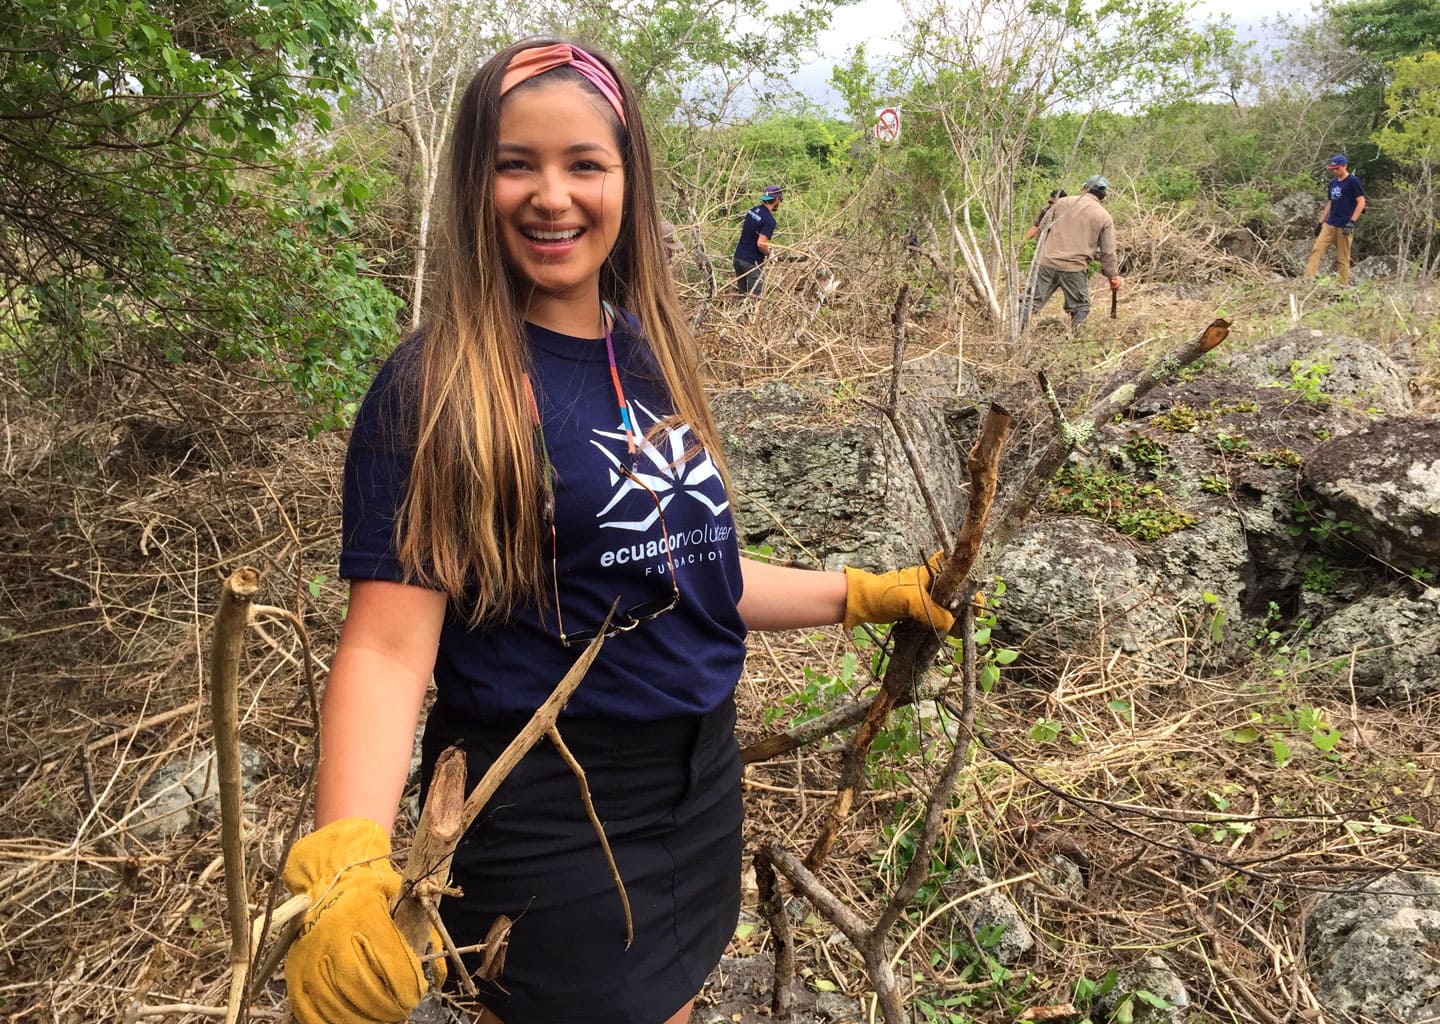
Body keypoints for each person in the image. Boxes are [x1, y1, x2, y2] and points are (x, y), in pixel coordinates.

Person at [280, 38, 954, 1024]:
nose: (551, 193)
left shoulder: (640, 351)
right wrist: (347, 856)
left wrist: (860, 592)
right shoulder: (437, 388)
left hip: (696, 786)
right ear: (476, 181)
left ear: (627, 180)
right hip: (549, 804)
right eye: (517, 163)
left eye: (583, 163)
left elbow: (688, 570)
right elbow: (386, 649)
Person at [1019, 175, 1120, 332]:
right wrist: (1112, 276)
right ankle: (1076, 344)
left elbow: (1042, 228)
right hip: (1074, 268)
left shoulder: (1061, 203)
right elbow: (1108, 252)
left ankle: (1014, 336)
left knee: (1029, 303)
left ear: (1085, 187)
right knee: (1080, 307)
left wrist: (1044, 252)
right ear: (1103, 194)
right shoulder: (1104, 216)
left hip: (1047, 263)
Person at [1304, 154, 1366, 286]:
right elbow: (1330, 203)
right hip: (1330, 223)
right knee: (1317, 249)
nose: (1335, 171)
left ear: (1344, 166)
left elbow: (1361, 203)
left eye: (1337, 168)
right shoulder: (1332, 183)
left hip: (1344, 225)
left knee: (1342, 258)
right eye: (1333, 169)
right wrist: (1321, 222)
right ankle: (1308, 278)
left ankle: (1343, 285)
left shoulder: (1353, 181)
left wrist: (1352, 221)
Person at [732, 185, 782, 296]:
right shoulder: (769, 220)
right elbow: (761, 244)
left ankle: (741, 312)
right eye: (780, 200)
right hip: (751, 264)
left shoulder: (752, 210)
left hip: (738, 258)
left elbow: (751, 234)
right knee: (754, 299)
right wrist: (770, 254)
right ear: (777, 199)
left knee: (743, 296)